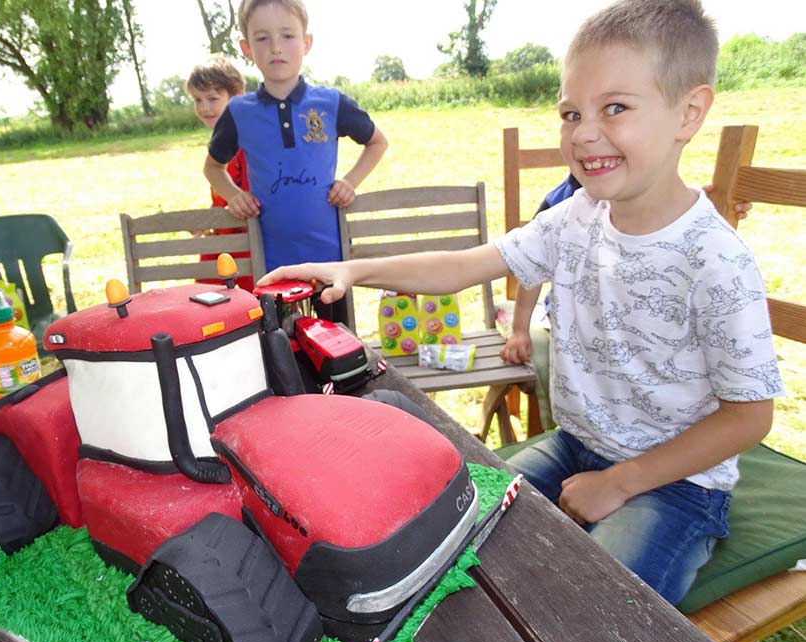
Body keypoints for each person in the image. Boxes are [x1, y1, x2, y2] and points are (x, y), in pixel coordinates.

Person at [258, 0, 784, 605]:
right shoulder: (574, 218)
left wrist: (621, 482)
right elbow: (463, 267)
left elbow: (750, 416)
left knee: (595, 607)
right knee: (451, 532)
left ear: (688, 112)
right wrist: (351, 268)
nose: (584, 133)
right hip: (576, 445)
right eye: (570, 112)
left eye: (614, 107)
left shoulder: (715, 259)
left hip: (677, 483)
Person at [205, 0, 388, 323]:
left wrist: (349, 182)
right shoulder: (238, 112)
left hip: (330, 261)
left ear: (306, 42)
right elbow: (212, 168)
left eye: (287, 35)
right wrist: (235, 196)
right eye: (262, 38)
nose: (276, 47)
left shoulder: (331, 103)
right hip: (271, 265)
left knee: (338, 344)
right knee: (281, 352)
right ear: (246, 48)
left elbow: (377, 142)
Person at [501, 176, 753, 365]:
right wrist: (520, 330)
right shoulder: (557, 203)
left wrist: (708, 209)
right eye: (573, 117)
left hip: (641, 314)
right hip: (575, 314)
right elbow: (531, 270)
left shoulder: (646, 196)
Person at [186, 58, 255, 291]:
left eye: (213, 98)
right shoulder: (220, 144)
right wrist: (207, 222)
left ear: (236, 97)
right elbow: (224, 198)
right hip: (223, 240)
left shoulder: (245, 142)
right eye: (198, 100)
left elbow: (247, 198)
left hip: (246, 246)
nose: (204, 108)